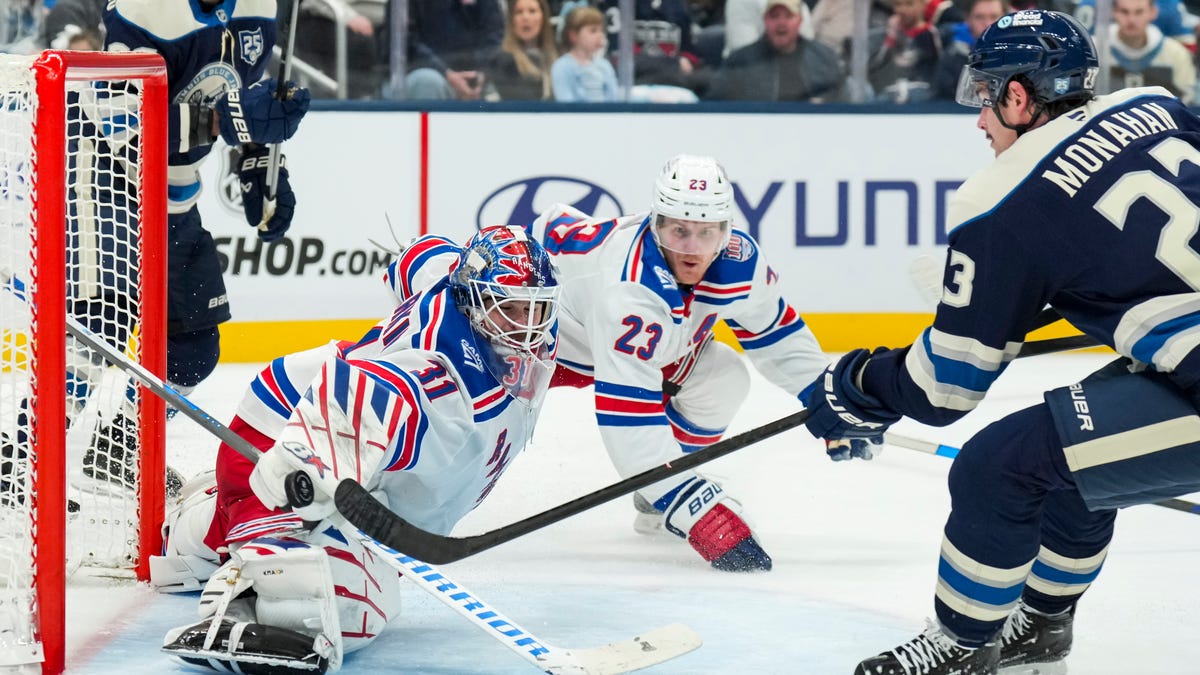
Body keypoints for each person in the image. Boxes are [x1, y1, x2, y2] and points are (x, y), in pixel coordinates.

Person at [802, 9, 1200, 674]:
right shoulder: (1155, 104)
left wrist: (861, 384)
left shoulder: (1001, 197)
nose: (980, 118)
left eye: (985, 95)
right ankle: (1040, 627)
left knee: (996, 467)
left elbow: (945, 388)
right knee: (1069, 448)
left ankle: (962, 646)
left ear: (1019, 96)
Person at [151, 226, 561, 672]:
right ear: (471, 301)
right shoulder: (440, 376)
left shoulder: (460, 285)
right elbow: (358, 399)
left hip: (366, 466)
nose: (525, 326)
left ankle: (205, 526)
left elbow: (421, 256)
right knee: (342, 606)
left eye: (534, 308)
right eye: (508, 308)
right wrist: (306, 469)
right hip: (286, 434)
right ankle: (241, 596)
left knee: (196, 553)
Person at [525, 154, 840, 573]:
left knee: (722, 378)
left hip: (644, 343)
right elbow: (629, 416)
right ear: (656, 224)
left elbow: (776, 334)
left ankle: (659, 487)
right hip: (549, 338)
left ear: (726, 230)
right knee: (487, 422)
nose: (692, 250)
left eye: (707, 233)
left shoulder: (739, 261)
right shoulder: (629, 289)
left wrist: (832, 398)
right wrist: (697, 513)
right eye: (679, 231)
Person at [86, 0, 310, 485]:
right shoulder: (145, 9)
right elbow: (121, 123)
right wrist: (225, 122)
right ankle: (32, 453)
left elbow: (242, 98)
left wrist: (260, 161)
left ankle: (115, 447)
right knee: (95, 329)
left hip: (175, 197)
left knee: (192, 350)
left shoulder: (258, 9)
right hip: (99, 180)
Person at [708, 0, 845, 102]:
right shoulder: (740, 62)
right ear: (765, 20)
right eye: (774, 16)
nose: (781, 23)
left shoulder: (824, 58)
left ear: (799, 20)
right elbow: (716, 103)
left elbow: (841, 99)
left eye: (788, 16)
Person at [402, 0, 505, 101]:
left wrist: (479, 75)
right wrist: (446, 74)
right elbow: (407, 42)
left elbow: (494, 37)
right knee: (427, 81)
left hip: (475, 80)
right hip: (426, 73)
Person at [1102, 0, 1196, 104]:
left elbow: (1187, 100)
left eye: (1139, 12)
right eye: (1124, 11)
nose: (1131, 19)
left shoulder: (1176, 54)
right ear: (1113, 12)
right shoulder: (1094, 50)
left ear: (1153, 12)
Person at [868, 0, 943, 103]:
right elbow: (873, 69)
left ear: (922, 5)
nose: (902, 10)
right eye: (898, 4)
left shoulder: (932, 34)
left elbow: (939, 71)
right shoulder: (885, 34)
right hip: (889, 94)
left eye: (909, 4)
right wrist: (890, 38)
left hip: (922, 95)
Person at [933, 0, 1009, 100]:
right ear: (967, 19)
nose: (988, 24)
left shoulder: (1020, 52)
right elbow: (943, 97)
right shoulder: (952, 54)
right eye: (979, 17)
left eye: (994, 17)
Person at [487, 0, 558, 101]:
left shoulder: (558, 55)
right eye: (518, 12)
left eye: (532, 11)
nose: (525, 17)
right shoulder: (502, 60)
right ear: (511, 20)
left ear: (543, 17)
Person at [552, 3, 620, 102]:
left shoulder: (605, 66)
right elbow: (565, 101)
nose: (600, 36)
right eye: (593, 31)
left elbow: (614, 98)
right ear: (573, 35)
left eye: (601, 31)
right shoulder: (562, 66)